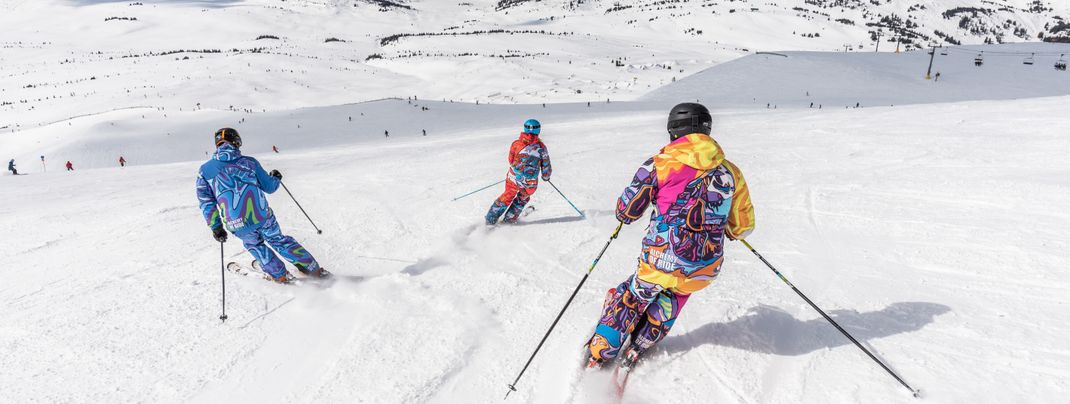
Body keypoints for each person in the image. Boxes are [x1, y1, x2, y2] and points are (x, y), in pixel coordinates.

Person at [584, 103, 755, 369]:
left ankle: (602, 349)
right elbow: (741, 226)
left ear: (674, 131)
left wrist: (623, 216)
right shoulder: (731, 172)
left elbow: (628, 210)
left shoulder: (660, 164)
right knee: (674, 296)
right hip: (704, 266)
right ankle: (640, 344)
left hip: (660, 258)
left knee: (633, 295)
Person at [195, 128, 330, 283]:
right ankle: (313, 269)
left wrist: (216, 227)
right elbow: (269, 187)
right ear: (236, 142)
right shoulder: (249, 163)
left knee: (256, 245)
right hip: (262, 215)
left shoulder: (204, 171)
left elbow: (206, 202)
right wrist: (276, 178)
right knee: (278, 240)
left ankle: (279, 274)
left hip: (236, 223)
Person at [485, 119, 552, 225]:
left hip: (513, 177)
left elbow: (510, 160)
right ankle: (510, 218)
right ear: (538, 130)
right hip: (529, 183)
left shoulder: (516, 144)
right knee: (523, 197)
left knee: (508, 194)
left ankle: (491, 218)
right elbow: (546, 165)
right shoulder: (541, 148)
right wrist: (546, 176)